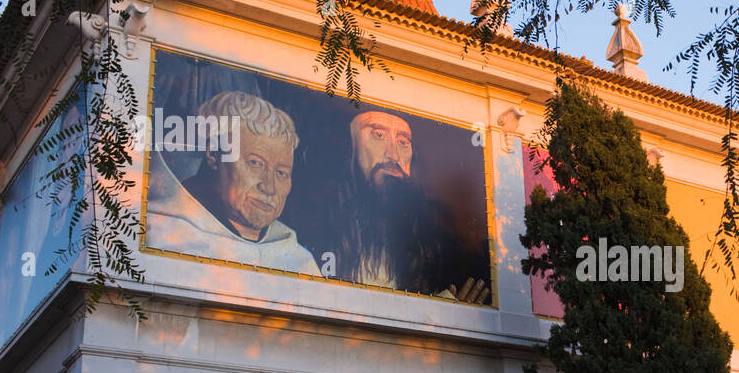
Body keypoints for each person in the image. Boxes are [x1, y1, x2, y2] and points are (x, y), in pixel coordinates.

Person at [146, 92, 320, 275]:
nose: (269, 188)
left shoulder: (300, 262)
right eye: (255, 163)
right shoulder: (161, 237)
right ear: (213, 154)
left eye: (281, 173)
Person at [331, 109, 487, 301]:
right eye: (379, 135)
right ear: (351, 150)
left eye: (403, 142)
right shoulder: (323, 235)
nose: (394, 156)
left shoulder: (438, 247)